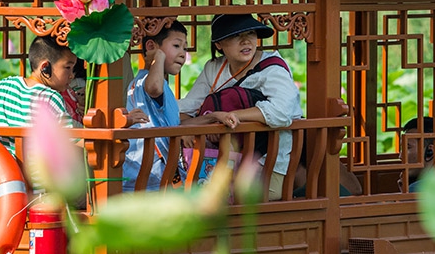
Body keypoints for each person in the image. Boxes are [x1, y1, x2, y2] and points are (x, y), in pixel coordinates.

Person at [179, 14, 302, 200]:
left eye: (250, 33)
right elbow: (187, 107)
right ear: (218, 44)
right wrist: (189, 129)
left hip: (266, 159)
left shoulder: (273, 68)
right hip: (221, 158)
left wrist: (230, 116)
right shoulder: (214, 68)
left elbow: (281, 112)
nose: (246, 41)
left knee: (235, 198)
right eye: (236, 35)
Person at [0, 36, 78, 148]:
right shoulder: (51, 98)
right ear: (45, 67)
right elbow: (71, 142)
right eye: (68, 67)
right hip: (38, 166)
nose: (72, 75)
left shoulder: (3, 88)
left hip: (3, 164)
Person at [123, 20, 189, 192]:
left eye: (185, 48)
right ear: (151, 46)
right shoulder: (147, 81)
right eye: (176, 46)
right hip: (147, 177)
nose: (182, 54)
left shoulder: (145, 82)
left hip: (152, 176)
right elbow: (154, 88)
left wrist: (213, 117)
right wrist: (158, 57)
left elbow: (174, 124)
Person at [401, 116, 435, 192]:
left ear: (430, 151)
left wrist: (405, 194)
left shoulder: (417, 188)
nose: (400, 156)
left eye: (407, 147)